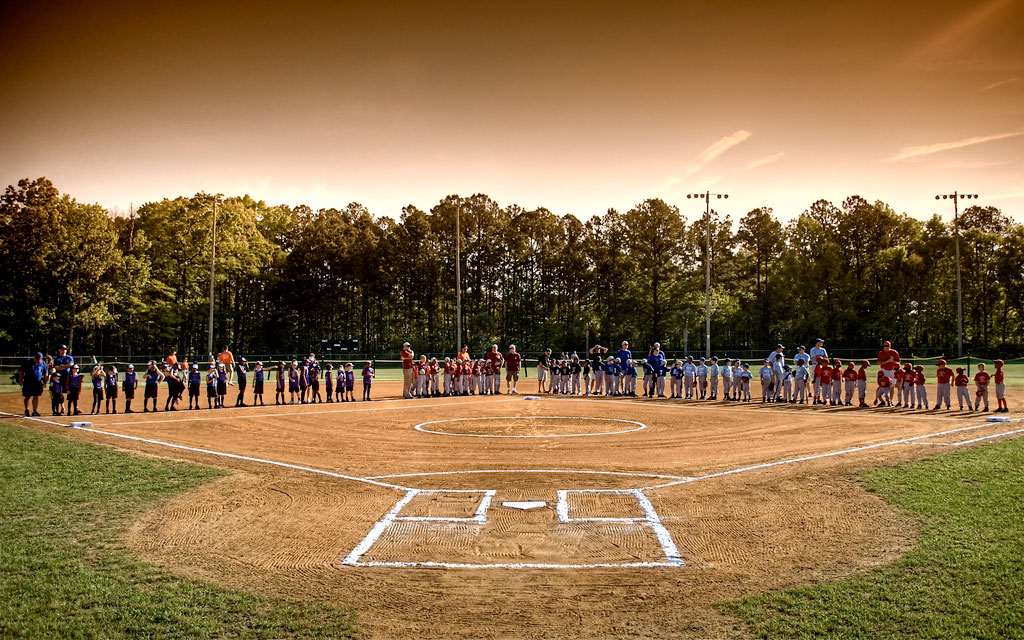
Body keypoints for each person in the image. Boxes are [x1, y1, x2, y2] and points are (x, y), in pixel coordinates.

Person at [18, 352, 48, 417]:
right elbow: (21, 371)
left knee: (36, 396)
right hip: (28, 382)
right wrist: (20, 380)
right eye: (36, 359)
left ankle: (35, 410)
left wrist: (45, 382)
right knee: (27, 396)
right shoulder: (27, 361)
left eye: (39, 359)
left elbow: (46, 373)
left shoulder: (42, 363)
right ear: (34, 357)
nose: (37, 361)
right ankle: (27, 409)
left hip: (37, 383)